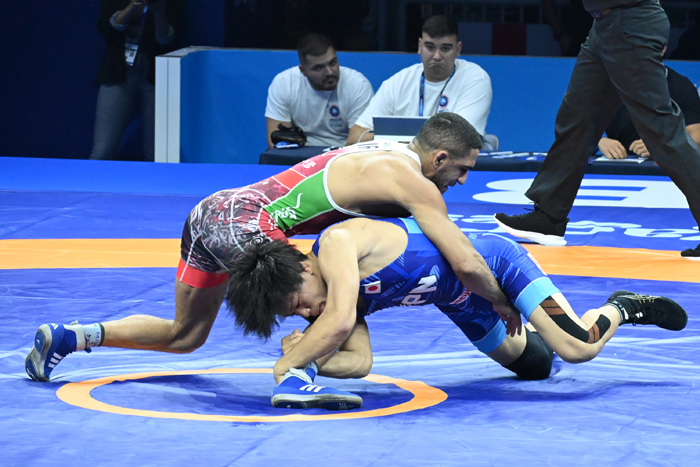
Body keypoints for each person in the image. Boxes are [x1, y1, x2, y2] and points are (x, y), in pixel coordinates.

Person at [25, 113, 521, 383]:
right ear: (439, 158)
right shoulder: (413, 182)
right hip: (247, 224)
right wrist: (500, 298)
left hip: (212, 213)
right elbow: (464, 260)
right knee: (320, 301)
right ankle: (294, 375)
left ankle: (72, 336)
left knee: (185, 336)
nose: (462, 180)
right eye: (462, 170)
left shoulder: (382, 150)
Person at [226, 217, 688, 409]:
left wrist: (292, 361)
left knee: (577, 348)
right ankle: (549, 324)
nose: (307, 312)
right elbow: (360, 362)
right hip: (458, 301)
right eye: (297, 316)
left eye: (298, 302)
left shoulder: (336, 245)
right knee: (537, 365)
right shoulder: (331, 303)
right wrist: (312, 362)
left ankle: (620, 307)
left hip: (494, 267)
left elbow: (340, 323)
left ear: (304, 267)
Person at [494, 0, 700, 260]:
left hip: (630, 21)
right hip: (603, 24)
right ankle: (549, 217)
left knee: (663, 132)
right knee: (577, 119)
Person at [347, 15, 492, 145]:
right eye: (430, 47)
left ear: (458, 49)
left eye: (445, 49)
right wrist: (398, 141)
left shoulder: (475, 79)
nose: (437, 56)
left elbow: (460, 141)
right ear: (420, 46)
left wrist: (398, 140)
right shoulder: (397, 83)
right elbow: (354, 137)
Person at [90, 0, 180, 162]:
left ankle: (157, 179)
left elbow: (167, 40)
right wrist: (131, 7)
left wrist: (158, 11)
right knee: (103, 150)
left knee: (157, 153)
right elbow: (106, 30)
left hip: (157, 72)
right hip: (118, 68)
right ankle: (92, 179)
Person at [265, 33, 374, 148]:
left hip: (342, 153)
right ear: (303, 71)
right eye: (319, 68)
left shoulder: (357, 85)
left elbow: (359, 142)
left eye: (332, 63)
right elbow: (275, 142)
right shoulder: (284, 84)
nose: (330, 72)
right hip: (298, 153)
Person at [599, 63, 700, 160]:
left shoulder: (681, 86)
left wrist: (665, 146)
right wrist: (599, 141)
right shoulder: (607, 82)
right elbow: (589, 127)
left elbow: (697, 138)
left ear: (662, 51)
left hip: (665, 165)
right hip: (614, 163)